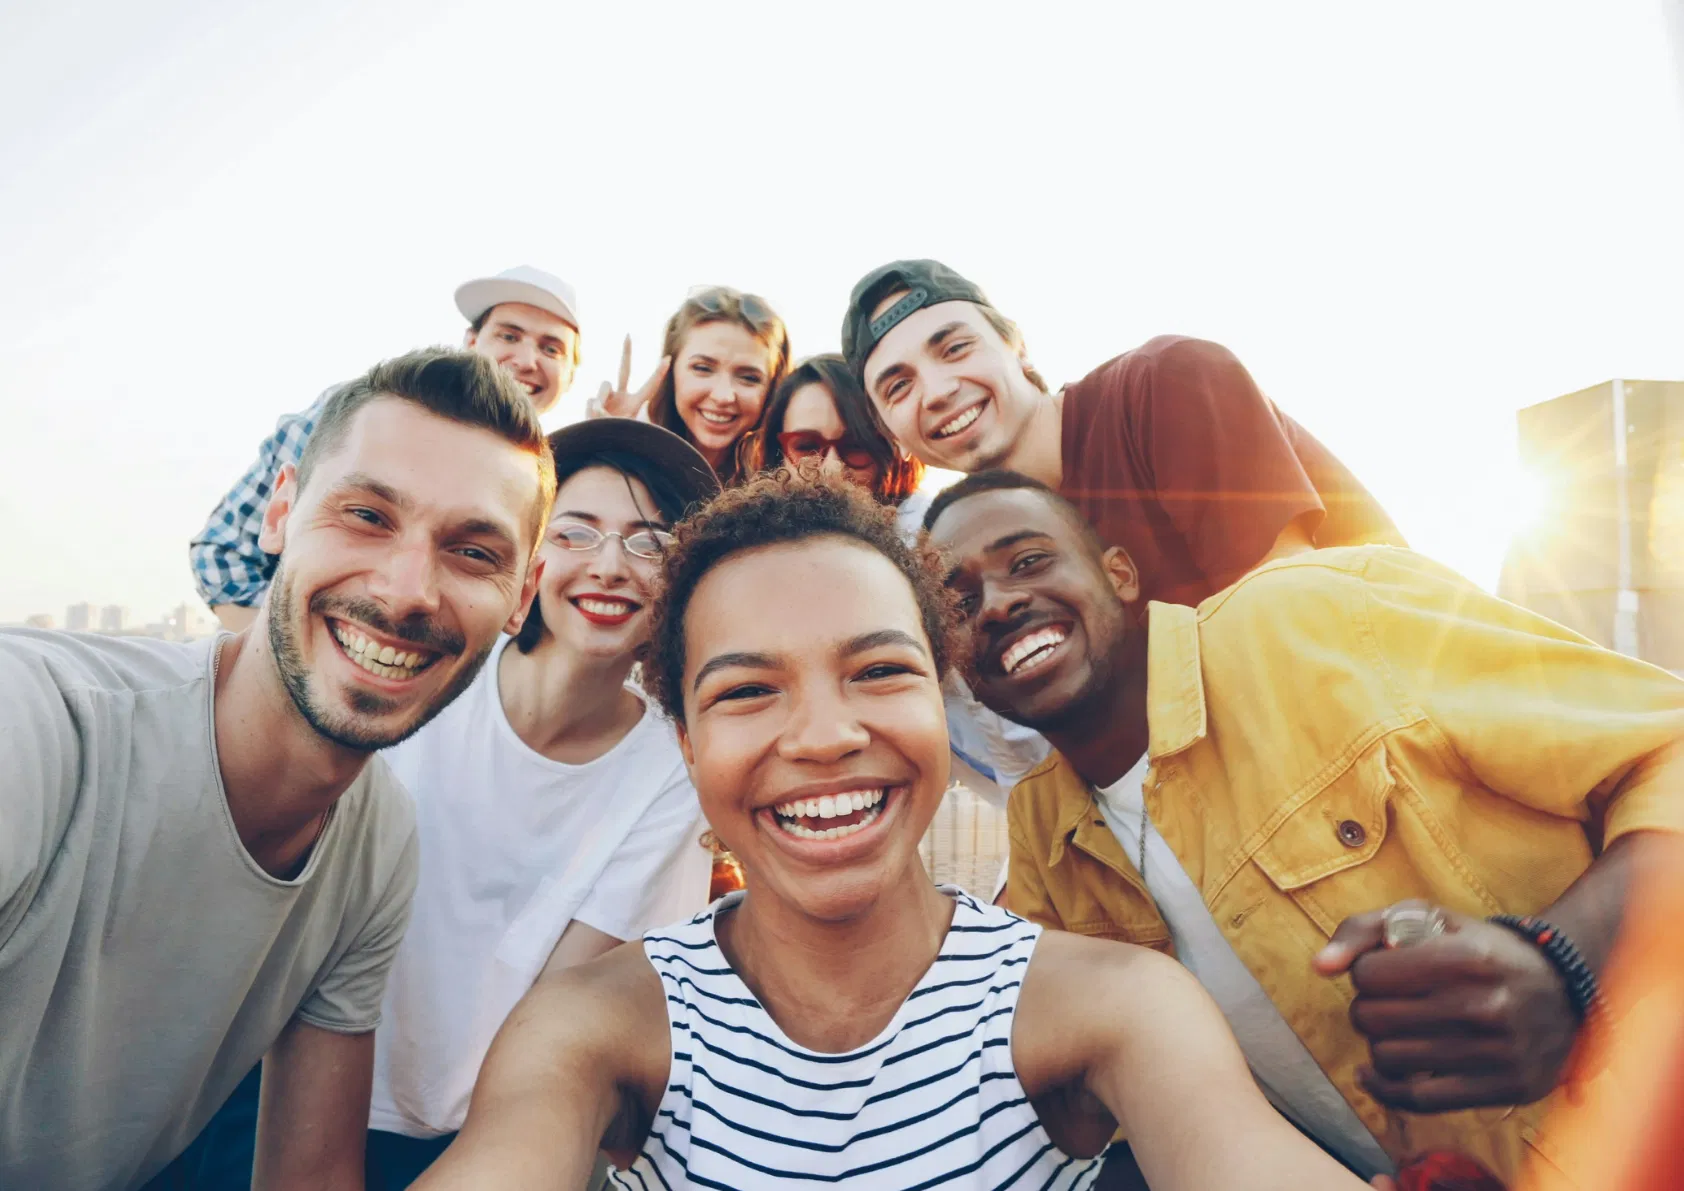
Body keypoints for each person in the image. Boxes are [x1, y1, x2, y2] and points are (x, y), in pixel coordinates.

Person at [411, 474, 1367, 1191]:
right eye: (747, 690)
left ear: (940, 701)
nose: (827, 735)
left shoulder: (1108, 1006)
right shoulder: (596, 1026)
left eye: (878, 671)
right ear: (686, 746)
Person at [923, 468, 1684, 1187]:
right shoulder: (1042, 835)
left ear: (1119, 574)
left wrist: (1568, 964)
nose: (995, 604)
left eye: (1027, 560)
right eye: (958, 604)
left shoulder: (1323, 612)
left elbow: (1668, 747)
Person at [0, 348, 556, 1191]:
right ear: (280, 512)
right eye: (367, 515)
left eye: (474, 552)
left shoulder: (378, 844)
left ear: (522, 596)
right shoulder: (39, 732)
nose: (409, 590)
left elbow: (310, 1175)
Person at [362, 419, 721, 1188]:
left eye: (650, 543)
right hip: (299, 1084)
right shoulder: (433, 670)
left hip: (492, 1133)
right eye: (578, 533)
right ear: (529, 557)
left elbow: (566, 1000)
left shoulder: (670, 768)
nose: (612, 567)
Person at [842, 258, 1406, 610]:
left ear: (1015, 345)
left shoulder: (1165, 384)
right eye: (898, 386)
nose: (937, 390)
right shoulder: (987, 548)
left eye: (955, 347)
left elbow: (1293, 614)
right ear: (892, 432)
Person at [192, 265, 582, 631]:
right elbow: (222, 557)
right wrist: (325, 646)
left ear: (571, 374)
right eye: (509, 336)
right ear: (472, 341)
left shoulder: (560, 482)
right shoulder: (360, 421)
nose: (527, 360)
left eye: (551, 349)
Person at [590, 285, 790, 486]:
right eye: (703, 368)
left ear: (773, 389)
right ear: (670, 371)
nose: (723, 396)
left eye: (749, 378)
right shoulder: (635, 465)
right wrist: (606, 449)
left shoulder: (784, 486)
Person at [752, 352, 927, 529]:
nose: (832, 468)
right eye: (806, 447)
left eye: (856, 446)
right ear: (778, 459)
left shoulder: (932, 531)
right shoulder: (747, 543)